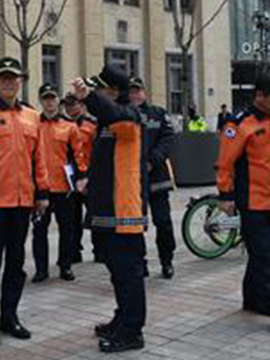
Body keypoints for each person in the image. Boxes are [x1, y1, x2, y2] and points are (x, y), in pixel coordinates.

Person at [0, 57, 50, 346]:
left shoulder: (32, 116)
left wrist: (42, 192)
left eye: (13, 78)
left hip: (22, 203)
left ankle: (9, 317)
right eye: (3, 78)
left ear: (21, 82)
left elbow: (38, 157)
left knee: (16, 264)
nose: (8, 82)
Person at [71, 66, 148, 353]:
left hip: (124, 213)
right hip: (108, 212)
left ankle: (132, 331)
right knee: (118, 273)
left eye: (100, 89)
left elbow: (117, 115)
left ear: (113, 92)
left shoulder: (129, 118)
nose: (97, 94)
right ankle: (123, 318)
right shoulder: (108, 121)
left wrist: (88, 96)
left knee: (129, 274)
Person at [216, 72, 270, 336]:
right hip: (252, 202)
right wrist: (226, 196)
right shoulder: (238, 124)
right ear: (260, 96)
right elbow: (225, 163)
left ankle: (252, 298)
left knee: (266, 253)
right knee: (263, 257)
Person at [31, 84, 88, 283]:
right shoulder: (33, 124)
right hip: (40, 189)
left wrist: (81, 177)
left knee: (68, 229)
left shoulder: (69, 126)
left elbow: (78, 155)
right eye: (45, 98)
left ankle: (65, 266)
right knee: (39, 231)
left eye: (52, 98)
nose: (49, 102)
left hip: (64, 188)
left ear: (58, 100)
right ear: (40, 100)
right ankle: (41, 269)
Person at [128, 77, 176, 279]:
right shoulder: (122, 115)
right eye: (131, 91)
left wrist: (151, 160)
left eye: (138, 90)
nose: (135, 95)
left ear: (144, 92)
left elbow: (168, 139)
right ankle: (140, 263)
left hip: (157, 179)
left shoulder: (158, 114)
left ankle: (167, 261)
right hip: (132, 182)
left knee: (163, 222)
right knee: (135, 225)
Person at [62, 93, 102, 263]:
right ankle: (74, 251)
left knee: (94, 215)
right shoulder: (62, 124)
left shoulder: (91, 125)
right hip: (69, 176)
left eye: (74, 105)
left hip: (90, 175)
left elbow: (98, 151)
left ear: (81, 105)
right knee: (72, 217)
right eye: (67, 106)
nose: (70, 108)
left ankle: (99, 250)